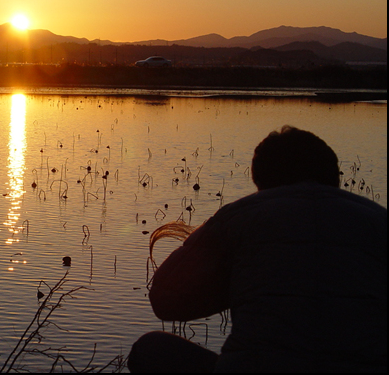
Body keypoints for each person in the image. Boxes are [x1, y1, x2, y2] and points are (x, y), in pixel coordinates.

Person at [128, 126, 387, 373]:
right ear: (334, 177)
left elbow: (165, 301)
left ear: (259, 180)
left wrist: (237, 286)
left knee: (151, 350)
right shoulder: (379, 220)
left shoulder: (240, 217)